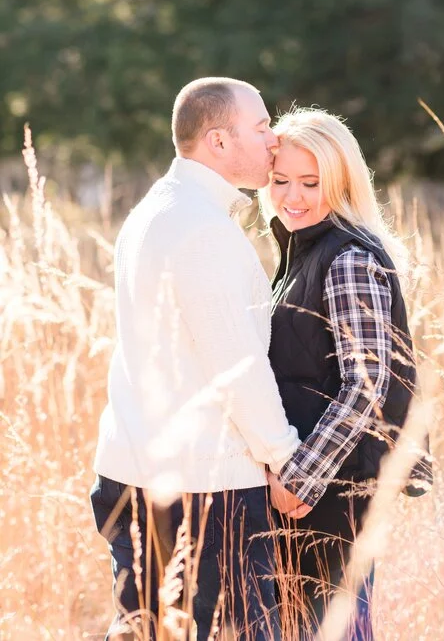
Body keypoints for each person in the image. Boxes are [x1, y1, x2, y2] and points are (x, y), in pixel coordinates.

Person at [90, 77, 307, 640]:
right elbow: (235, 365)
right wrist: (286, 458)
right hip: (207, 490)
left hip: (133, 469)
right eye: (260, 127)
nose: (273, 139)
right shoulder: (201, 229)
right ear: (217, 141)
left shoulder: (154, 213)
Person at [260, 107, 432, 640]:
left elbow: (367, 384)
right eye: (281, 180)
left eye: (312, 182)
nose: (293, 196)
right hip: (311, 490)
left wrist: (300, 478)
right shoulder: (302, 250)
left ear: (342, 182)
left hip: (329, 492)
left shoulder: (347, 258)